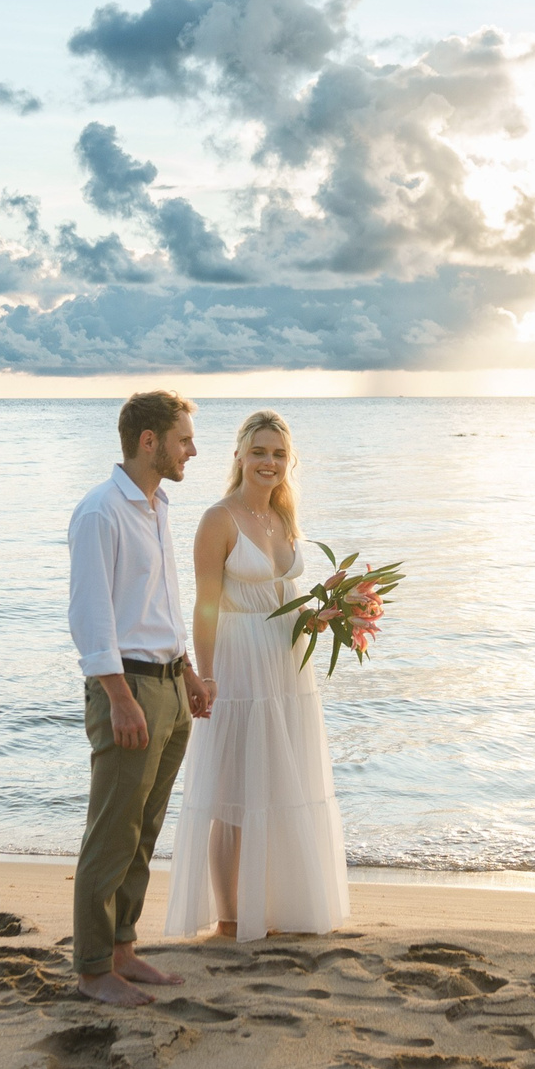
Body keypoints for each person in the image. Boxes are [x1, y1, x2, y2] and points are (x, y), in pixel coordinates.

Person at [162, 410, 351, 941]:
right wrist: (207, 674)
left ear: (289, 462)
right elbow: (203, 606)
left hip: (288, 669)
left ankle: (274, 906)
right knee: (232, 792)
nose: (269, 463)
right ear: (240, 455)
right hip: (239, 664)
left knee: (283, 784)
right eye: (260, 452)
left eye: (279, 454)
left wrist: (328, 613)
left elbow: (284, 602)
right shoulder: (218, 519)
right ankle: (228, 919)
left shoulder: (286, 519)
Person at [66, 389, 214, 1007]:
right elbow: (90, 616)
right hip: (127, 689)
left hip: (168, 685)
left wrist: (190, 674)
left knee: (144, 829)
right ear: (149, 441)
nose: (193, 450)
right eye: (183, 439)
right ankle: (94, 967)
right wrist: (120, 698)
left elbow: (164, 607)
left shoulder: (157, 507)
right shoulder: (101, 511)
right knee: (112, 832)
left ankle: (124, 948)